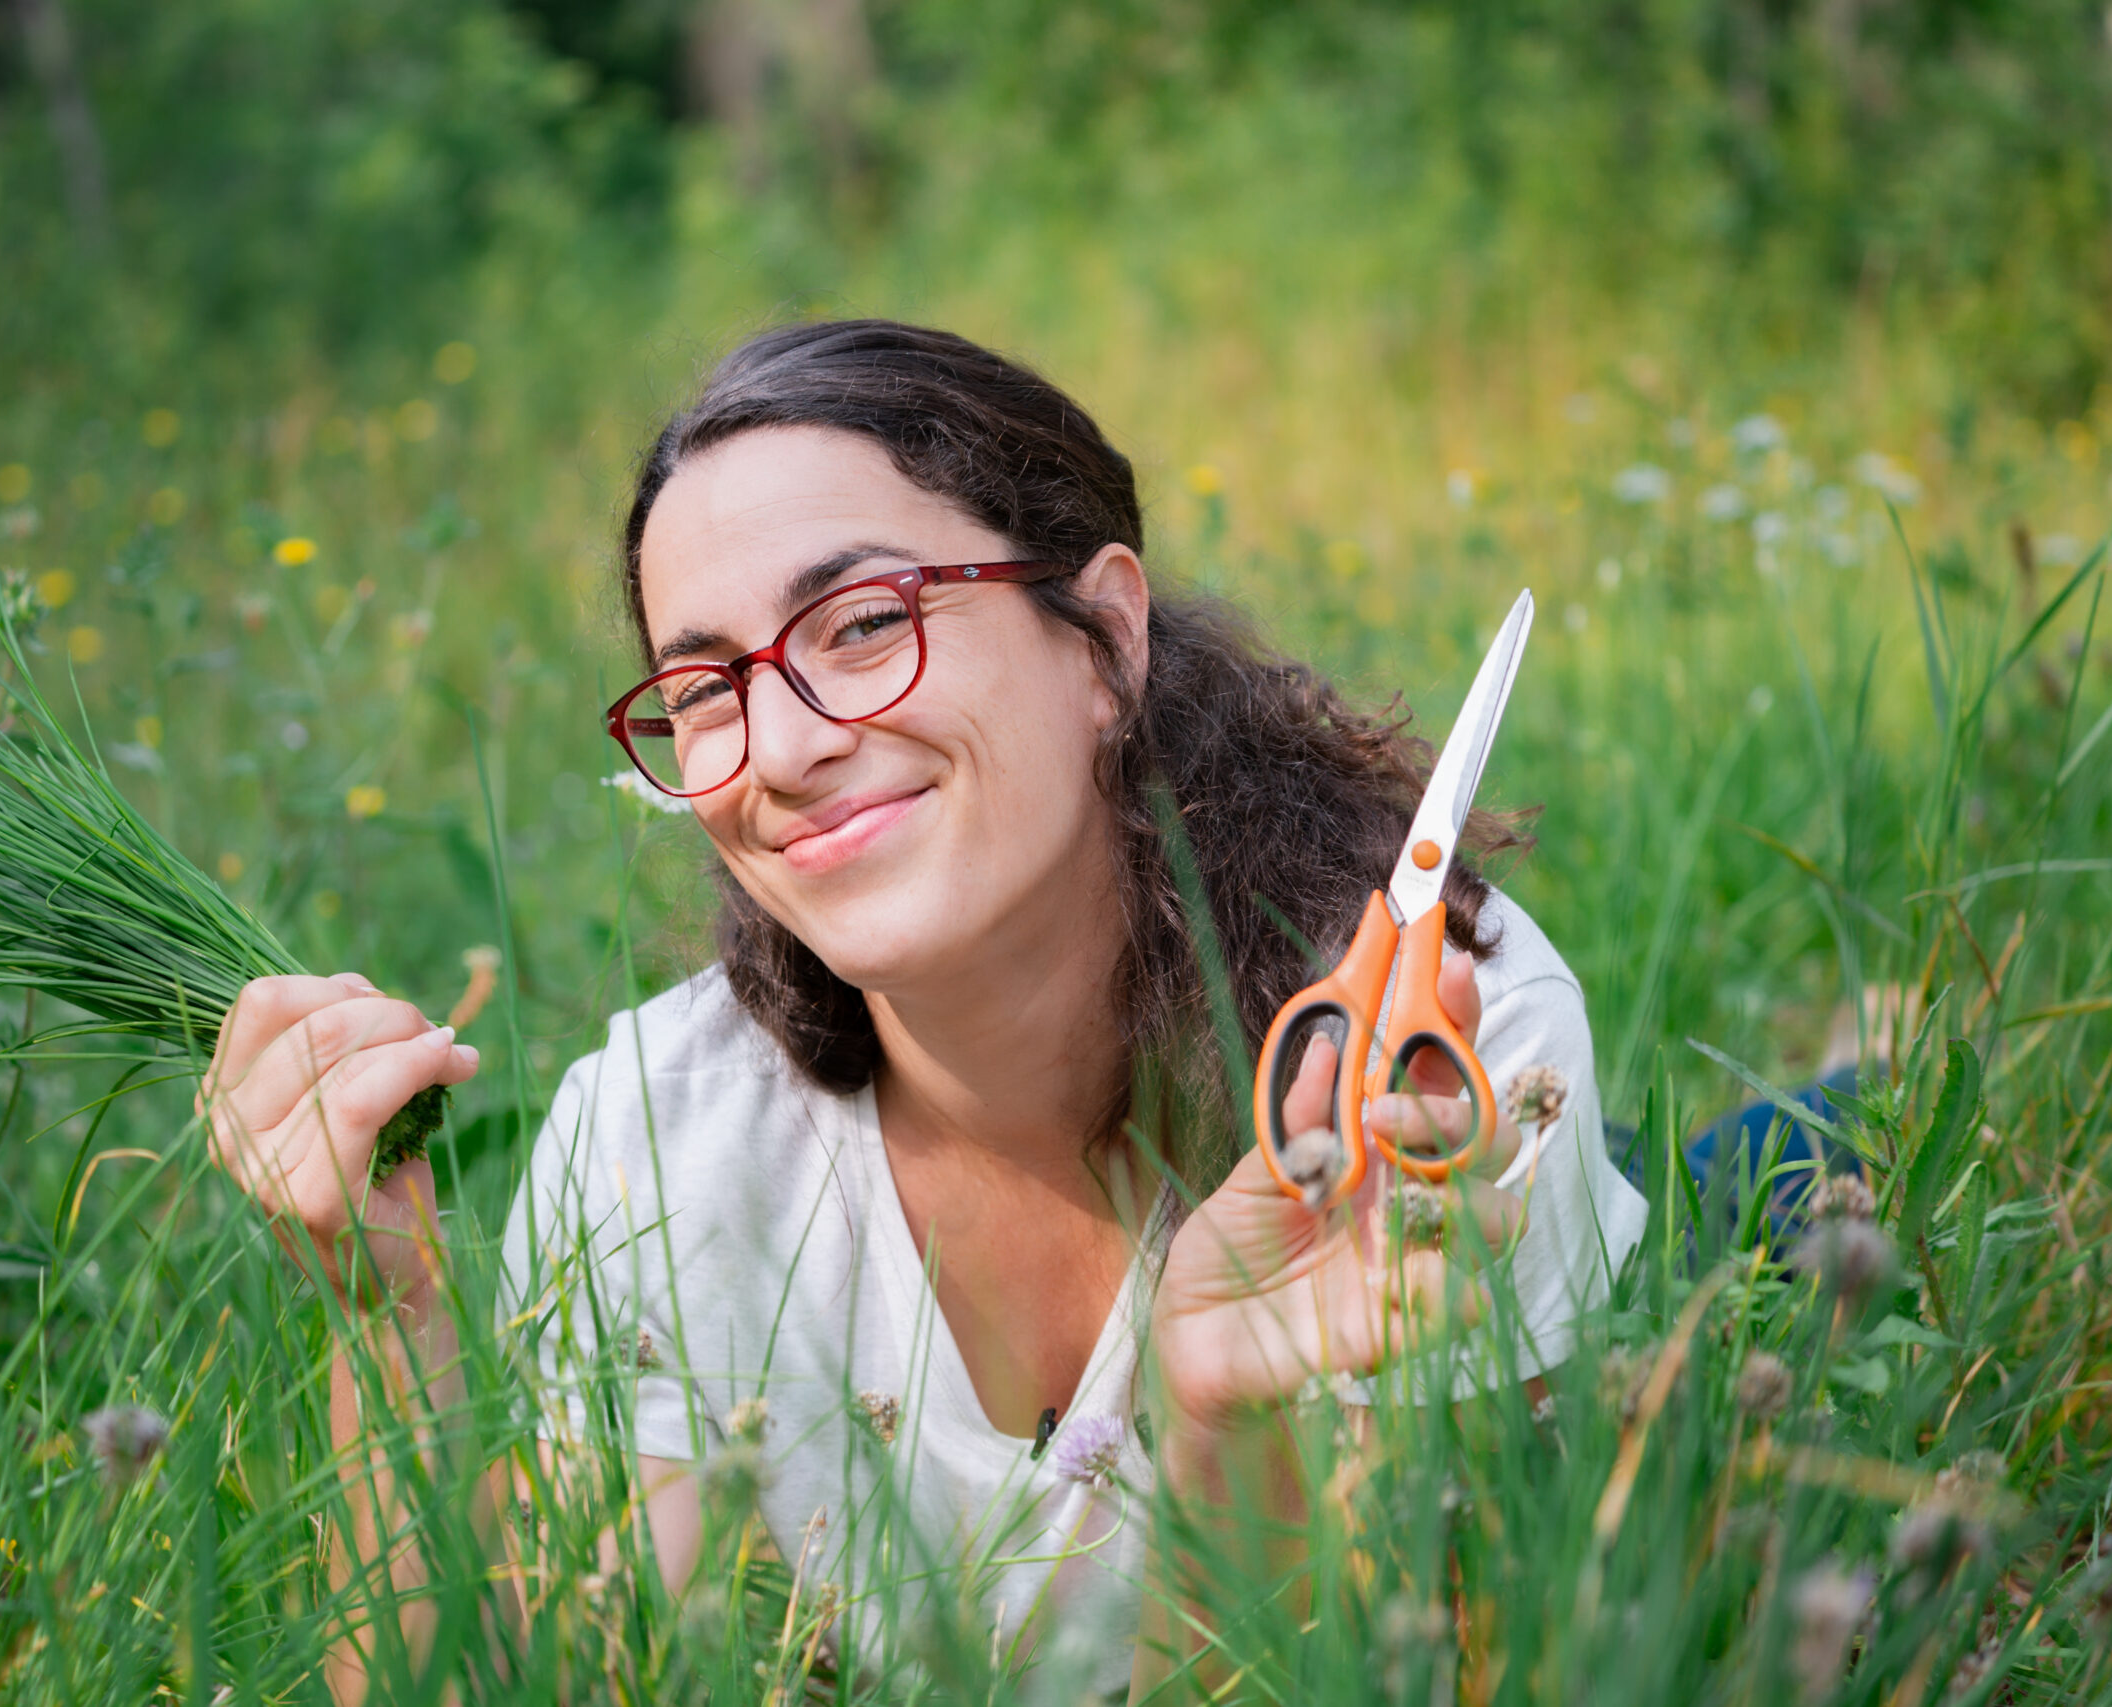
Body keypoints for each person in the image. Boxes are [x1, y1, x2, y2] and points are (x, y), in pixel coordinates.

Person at [200, 320, 1650, 1701]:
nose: (782, 749)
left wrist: (1229, 1429)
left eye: (861, 621)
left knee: (1787, 1170)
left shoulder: (1433, 1063)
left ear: (1105, 641)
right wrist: (386, 1317)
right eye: (705, 688)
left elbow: (1486, 1659)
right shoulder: (661, 1139)